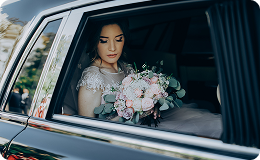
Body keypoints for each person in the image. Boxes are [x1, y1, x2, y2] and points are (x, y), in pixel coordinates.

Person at [74, 19, 222, 139]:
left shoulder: (126, 67)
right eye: (104, 41)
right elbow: (87, 133)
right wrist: (131, 113)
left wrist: (152, 103)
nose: (112, 48)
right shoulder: (92, 77)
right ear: (95, 42)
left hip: (147, 124)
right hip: (124, 137)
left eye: (118, 39)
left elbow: (144, 95)